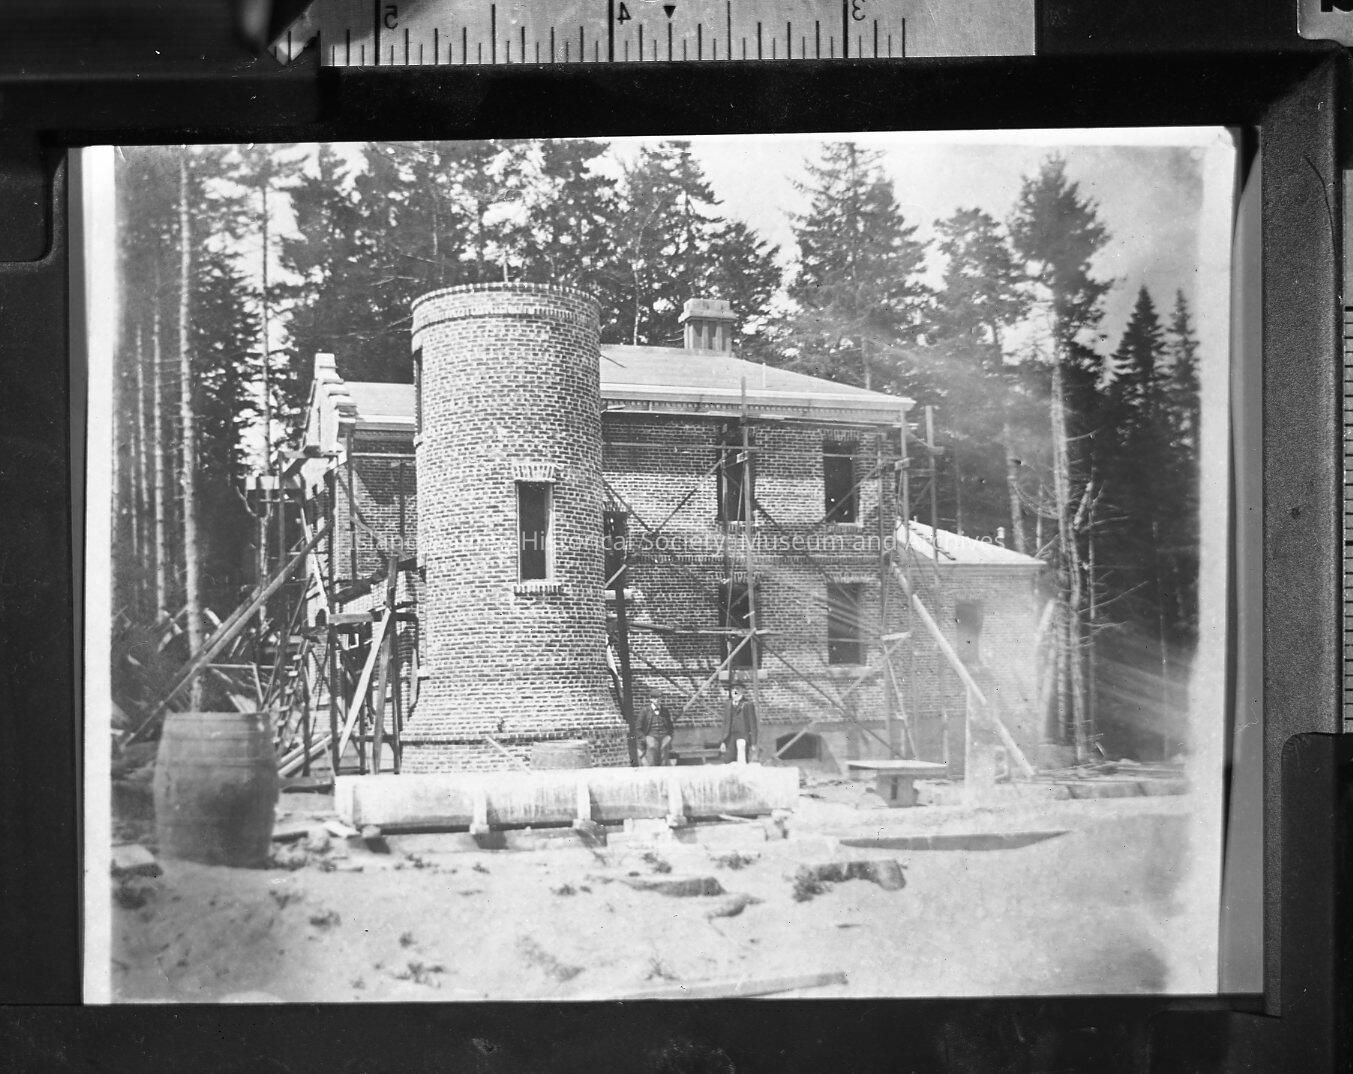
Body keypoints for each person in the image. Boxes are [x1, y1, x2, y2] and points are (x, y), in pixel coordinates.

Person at [719, 684, 758, 764]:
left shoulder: (748, 704)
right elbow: (725, 723)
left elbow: (753, 724)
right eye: (732, 689)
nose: (734, 691)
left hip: (743, 736)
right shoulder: (728, 704)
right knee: (728, 761)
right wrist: (723, 741)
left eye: (737, 688)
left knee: (742, 759)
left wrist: (753, 742)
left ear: (742, 690)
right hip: (730, 736)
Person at [638, 695, 674, 767]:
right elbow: (638, 727)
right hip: (651, 736)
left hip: (664, 736)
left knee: (664, 753)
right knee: (652, 751)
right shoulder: (645, 711)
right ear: (651, 699)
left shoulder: (665, 710)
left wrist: (669, 736)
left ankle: (664, 771)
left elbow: (670, 726)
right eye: (654, 698)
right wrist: (644, 739)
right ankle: (652, 771)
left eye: (659, 697)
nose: (657, 700)